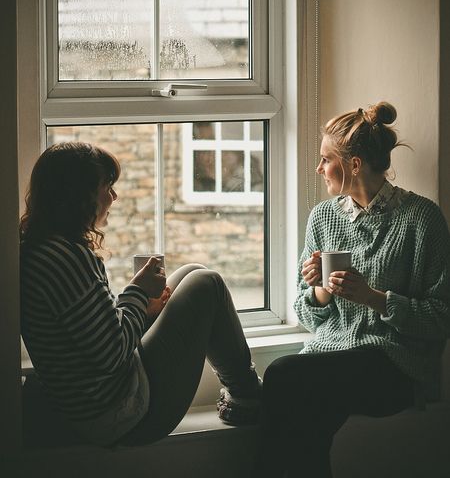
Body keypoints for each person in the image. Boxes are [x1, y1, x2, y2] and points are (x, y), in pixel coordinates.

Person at [20, 142, 261, 448]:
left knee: (191, 271)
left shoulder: (41, 248)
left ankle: (245, 393)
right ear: (80, 196)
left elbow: (91, 334)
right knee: (207, 282)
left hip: (96, 404)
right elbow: (111, 353)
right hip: (121, 414)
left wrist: (143, 308)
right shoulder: (65, 258)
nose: (114, 197)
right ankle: (248, 397)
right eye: (107, 186)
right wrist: (137, 291)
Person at [255, 101, 450, 478]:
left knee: (283, 376)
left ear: (354, 164)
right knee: (307, 416)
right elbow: (308, 314)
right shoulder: (323, 217)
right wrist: (321, 291)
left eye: (326, 159)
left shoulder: (422, 219)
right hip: (332, 357)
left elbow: (441, 318)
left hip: (394, 366)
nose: (319, 168)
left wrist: (373, 298)